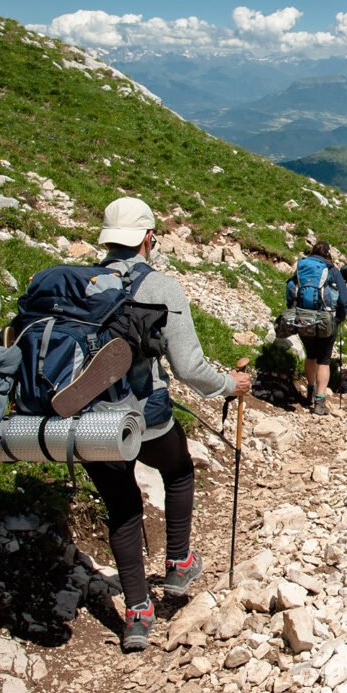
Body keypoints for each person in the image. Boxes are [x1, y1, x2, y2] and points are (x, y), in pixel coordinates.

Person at [85, 197, 250, 652]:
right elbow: (190, 368)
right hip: (145, 417)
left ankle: (137, 614)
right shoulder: (160, 286)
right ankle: (178, 562)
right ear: (147, 238)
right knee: (177, 470)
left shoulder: (84, 283)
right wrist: (229, 385)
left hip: (86, 423)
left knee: (121, 506)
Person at [289, 240, 347, 415]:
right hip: (325, 320)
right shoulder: (332, 271)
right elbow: (344, 299)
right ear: (328, 254)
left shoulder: (302, 267)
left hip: (303, 318)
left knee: (311, 354)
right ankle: (320, 401)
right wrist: (339, 318)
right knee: (324, 359)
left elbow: (291, 289)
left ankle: (310, 390)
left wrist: (294, 310)